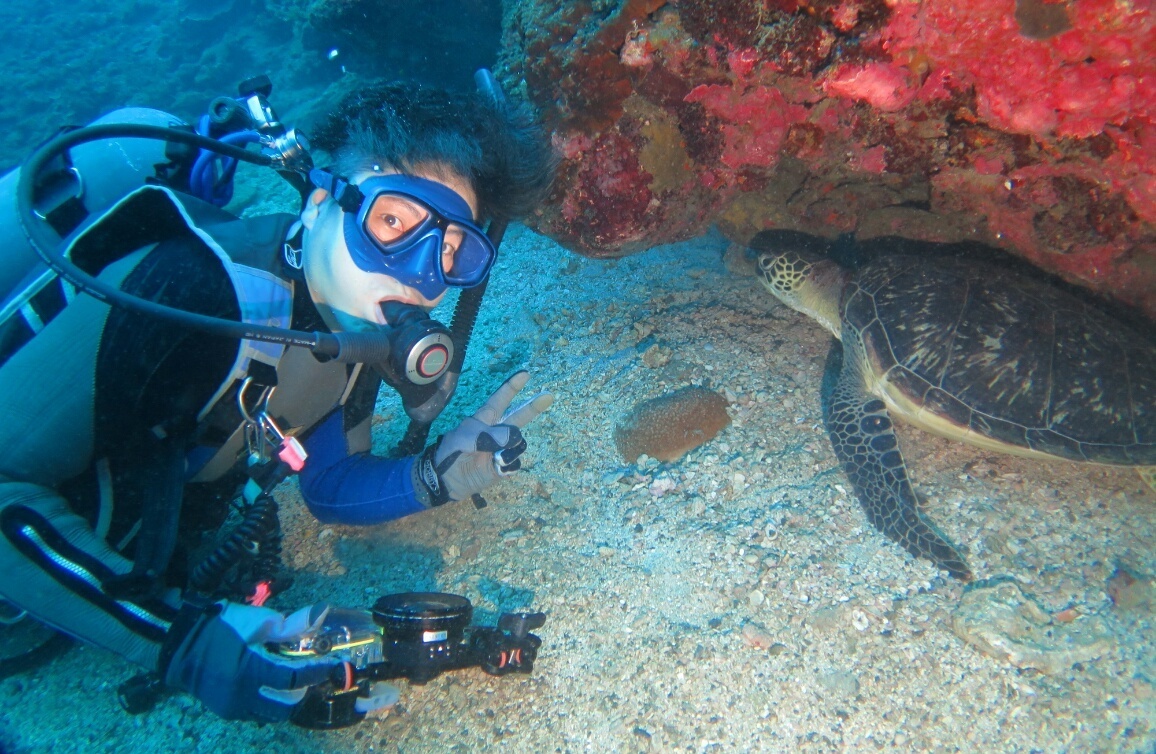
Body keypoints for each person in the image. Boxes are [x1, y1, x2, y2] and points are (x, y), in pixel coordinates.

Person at [0, 80, 557, 723]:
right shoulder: (192, 291)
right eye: (395, 223)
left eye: (453, 250)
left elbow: (329, 481)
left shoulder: (351, 328)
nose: (422, 276)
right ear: (321, 201)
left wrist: (432, 476)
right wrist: (183, 644)